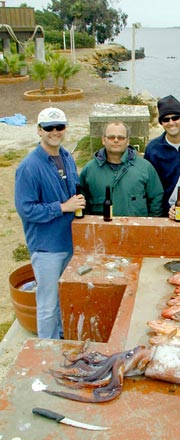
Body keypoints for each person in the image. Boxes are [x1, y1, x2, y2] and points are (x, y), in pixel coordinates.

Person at [15, 107, 85, 339]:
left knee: (63, 299)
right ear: (39, 131)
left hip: (69, 242)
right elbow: (26, 209)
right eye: (49, 128)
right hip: (47, 247)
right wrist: (63, 207)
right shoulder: (29, 167)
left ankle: (61, 340)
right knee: (47, 304)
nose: (55, 132)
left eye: (59, 127)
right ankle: (46, 351)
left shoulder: (66, 156)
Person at [80, 121, 163, 217]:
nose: (116, 140)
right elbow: (81, 204)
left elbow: (156, 201)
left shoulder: (145, 168)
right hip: (101, 230)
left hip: (136, 230)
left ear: (128, 141)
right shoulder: (89, 170)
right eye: (111, 137)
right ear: (103, 140)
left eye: (121, 137)